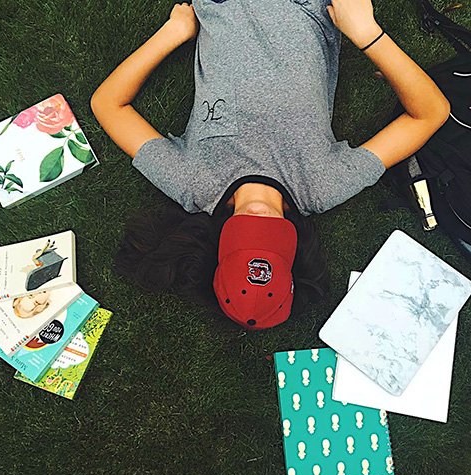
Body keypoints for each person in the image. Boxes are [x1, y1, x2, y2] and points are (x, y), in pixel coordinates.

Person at [91, 0, 450, 329]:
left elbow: (108, 105)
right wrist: (368, 34)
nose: (258, 214)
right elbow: (430, 114)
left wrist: (173, 33)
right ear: (293, 252)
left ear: (218, 247)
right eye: (270, 234)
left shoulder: (194, 182)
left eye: (246, 231)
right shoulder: (320, 186)